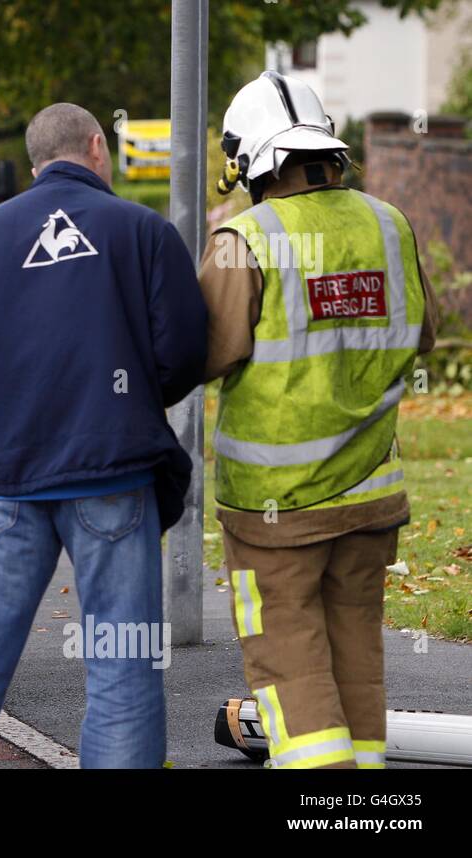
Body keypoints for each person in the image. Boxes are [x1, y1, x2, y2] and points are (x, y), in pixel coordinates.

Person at [0, 102, 208, 768]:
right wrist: (130, 397)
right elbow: (186, 349)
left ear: (37, 160)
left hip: (3, 482)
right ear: (97, 146)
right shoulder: (144, 232)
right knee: (123, 674)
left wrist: (2, 393)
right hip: (113, 475)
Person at [201, 72, 438, 769]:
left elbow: (202, 353)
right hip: (370, 495)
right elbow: (421, 335)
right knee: (357, 663)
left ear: (250, 165)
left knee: (292, 669)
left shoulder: (242, 238)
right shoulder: (389, 223)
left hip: (277, 513)